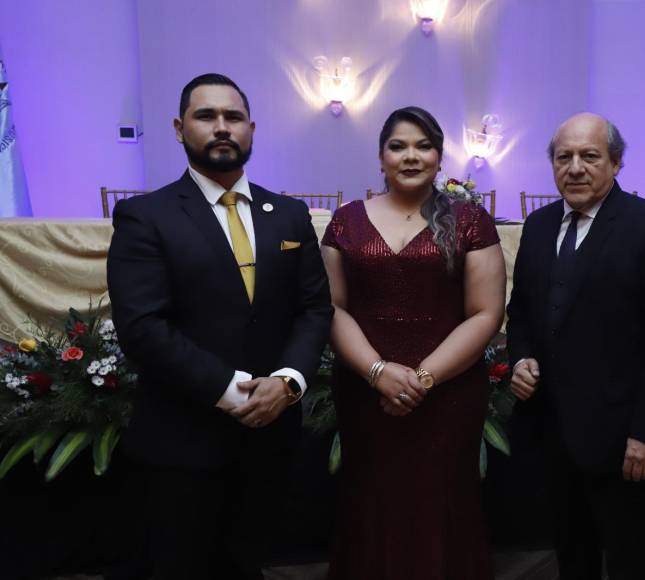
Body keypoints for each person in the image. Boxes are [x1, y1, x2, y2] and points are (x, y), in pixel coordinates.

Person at [106, 73, 333, 580]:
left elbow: (315, 309)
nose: (221, 127)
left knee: (252, 563)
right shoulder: (146, 216)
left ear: (251, 128)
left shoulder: (290, 215)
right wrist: (230, 390)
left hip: (271, 439)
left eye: (232, 117)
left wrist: (289, 382)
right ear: (179, 127)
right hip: (182, 442)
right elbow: (142, 326)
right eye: (206, 116)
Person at [320, 106, 506, 580]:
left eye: (423, 146)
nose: (410, 156)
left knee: (440, 497)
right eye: (398, 146)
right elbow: (332, 307)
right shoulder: (345, 221)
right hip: (364, 389)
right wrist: (379, 373)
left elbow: (486, 313)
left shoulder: (470, 220)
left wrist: (421, 379)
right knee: (371, 496)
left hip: (448, 392)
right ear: (381, 157)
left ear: (440, 158)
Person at [506, 113, 645, 580]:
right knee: (572, 553)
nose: (575, 167)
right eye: (563, 157)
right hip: (551, 430)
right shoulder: (539, 225)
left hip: (621, 437)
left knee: (628, 557)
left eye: (589, 156)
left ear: (615, 163)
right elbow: (523, 311)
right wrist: (521, 356)